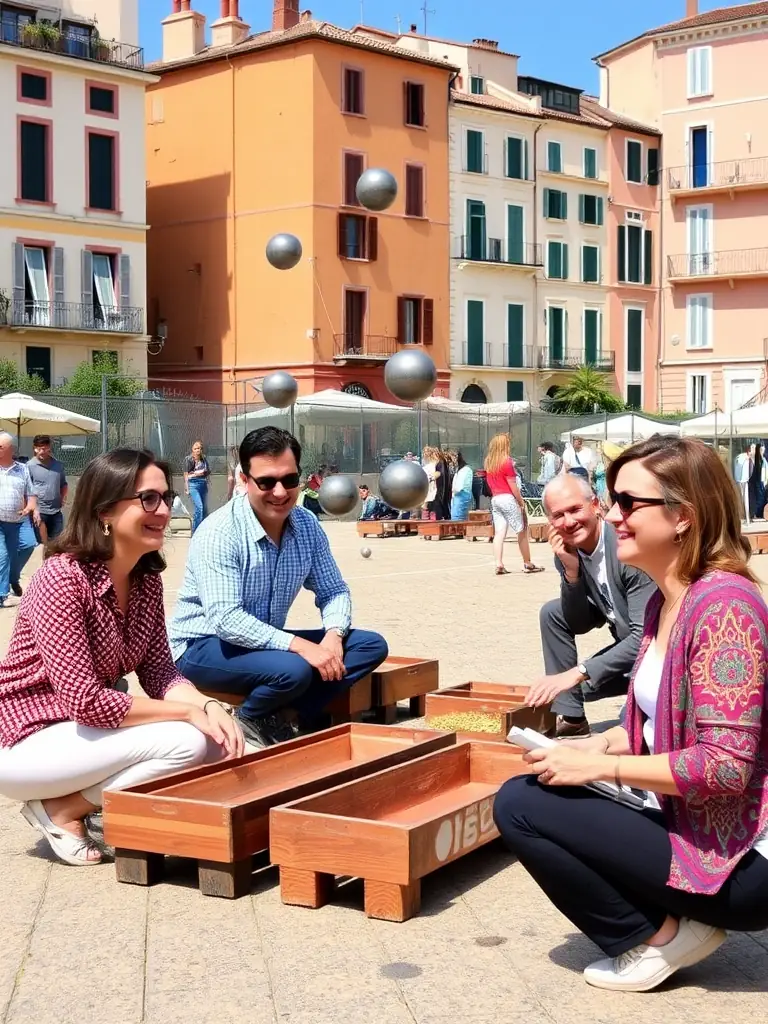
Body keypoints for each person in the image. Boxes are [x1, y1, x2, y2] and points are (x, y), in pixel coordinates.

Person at [494, 435, 768, 993]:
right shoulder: (666, 601)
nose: (611, 514)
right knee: (535, 788)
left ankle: (660, 938)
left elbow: (725, 768)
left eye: (627, 503)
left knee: (521, 807)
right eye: (611, 499)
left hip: (747, 862)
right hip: (697, 825)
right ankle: (667, 925)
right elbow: (648, 726)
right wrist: (590, 748)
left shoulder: (726, 611)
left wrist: (598, 770)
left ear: (683, 516)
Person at [0, 449, 242, 867]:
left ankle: (133, 815)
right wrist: (184, 716)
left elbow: (161, 671)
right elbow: (86, 701)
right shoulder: (61, 578)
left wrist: (207, 706)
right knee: (183, 741)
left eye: (165, 498)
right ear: (106, 510)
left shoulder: (145, 579)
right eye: (148, 499)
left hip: (79, 732)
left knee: (218, 743)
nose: (163, 510)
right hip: (22, 739)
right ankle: (64, 809)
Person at [169, 427, 389, 748]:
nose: (280, 492)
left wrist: (333, 635)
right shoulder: (219, 532)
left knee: (369, 645)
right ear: (244, 481)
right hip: (203, 646)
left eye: (289, 480)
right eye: (266, 482)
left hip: (263, 645)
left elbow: (334, 590)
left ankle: (286, 716)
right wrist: (301, 646)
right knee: (294, 669)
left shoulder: (307, 525)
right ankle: (248, 719)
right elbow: (226, 620)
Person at [527, 473, 656, 737]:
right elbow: (578, 622)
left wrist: (579, 673)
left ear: (595, 505)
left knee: (630, 731)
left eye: (575, 509)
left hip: (657, 655)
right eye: (558, 515)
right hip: (629, 650)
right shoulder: (567, 553)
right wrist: (572, 573)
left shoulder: (627, 549)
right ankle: (573, 718)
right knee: (552, 613)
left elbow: (645, 639)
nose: (569, 522)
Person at [484, 434, 543, 577]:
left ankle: (499, 563)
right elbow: (513, 486)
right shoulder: (507, 462)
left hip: (495, 499)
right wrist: (520, 501)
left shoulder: (489, 462)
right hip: (507, 498)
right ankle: (527, 562)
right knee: (521, 530)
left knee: (499, 532)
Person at [0, 433, 37, 608]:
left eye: (1, 447)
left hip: (17, 520)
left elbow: (31, 494)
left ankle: (12, 577)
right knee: (4, 555)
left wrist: (30, 507)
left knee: (28, 545)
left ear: (11, 449)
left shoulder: (22, 469)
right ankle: (2, 594)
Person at [27, 434, 67, 545]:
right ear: (34, 448)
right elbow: (27, 490)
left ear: (49, 447)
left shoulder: (58, 465)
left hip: (56, 512)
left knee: (57, 544)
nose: (40, 451)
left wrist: (63, 497)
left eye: (43, 448)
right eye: (38, 448)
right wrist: (33, 509)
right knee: (42, 545)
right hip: (39, 512)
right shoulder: (29, 466)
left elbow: (64, 484)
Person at [184, 440, 210, 533]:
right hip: (193, 484)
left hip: (202, 483)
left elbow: (208, 471)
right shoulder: (188, 459)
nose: (198, 450)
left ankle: (203, 530)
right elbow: (186, 474)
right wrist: (187, 488)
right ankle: (196, 532)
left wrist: (205, 473)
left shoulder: (204, 459)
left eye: (199, 448)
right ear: (192, 449)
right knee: (200, 507)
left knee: (204, 509)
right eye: (196, 448)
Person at [450, 452, 473, 521]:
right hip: (460, 497)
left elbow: (458, 487)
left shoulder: (464, 470)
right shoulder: (463, 470)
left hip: (460, 497)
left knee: (457, 519)